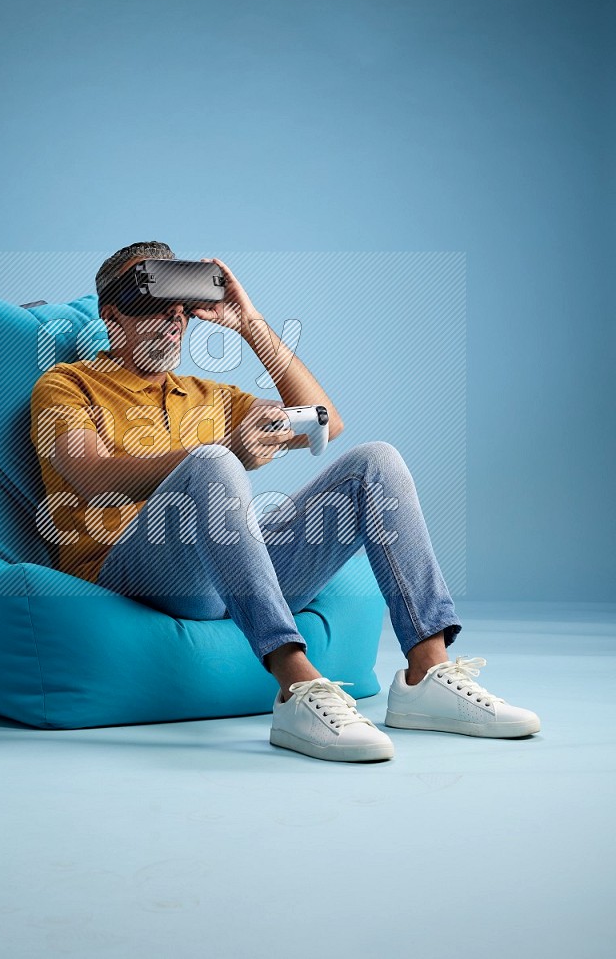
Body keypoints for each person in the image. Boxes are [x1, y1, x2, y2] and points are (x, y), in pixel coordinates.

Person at [30, 241, 541, 763]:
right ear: (111, 315)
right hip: (133, 572)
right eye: (154, 311)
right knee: (213, 462)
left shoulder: (208, 394)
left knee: (375, 462)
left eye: (179, 312)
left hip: (228, 572)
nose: (171, 324)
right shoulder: (67, 385)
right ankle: (296, 686)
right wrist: (222, 449)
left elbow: (325, 420)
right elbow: (90, 475)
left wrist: (249, 322)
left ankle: (426, 674)